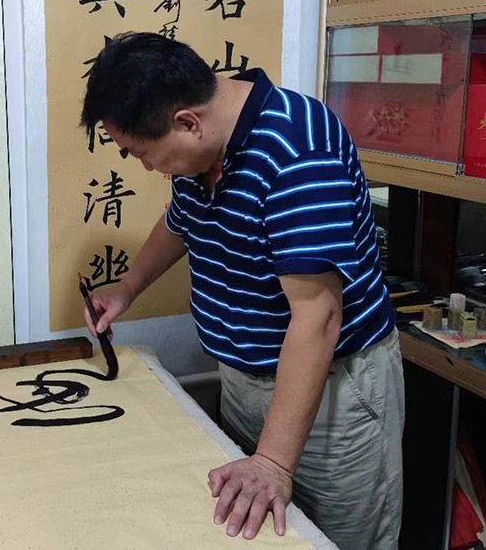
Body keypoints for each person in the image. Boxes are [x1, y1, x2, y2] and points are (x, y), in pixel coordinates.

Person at [79, 32, 404, 549]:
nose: (146, 167)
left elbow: (318, 317)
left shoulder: (298, 151)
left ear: (188, 122)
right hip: (244, 382)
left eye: (143, 153)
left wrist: (273, 461)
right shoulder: (205, 147)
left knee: (333, 541)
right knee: (256, 535)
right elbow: (182, 220)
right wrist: (128, 287)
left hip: (331, 394)